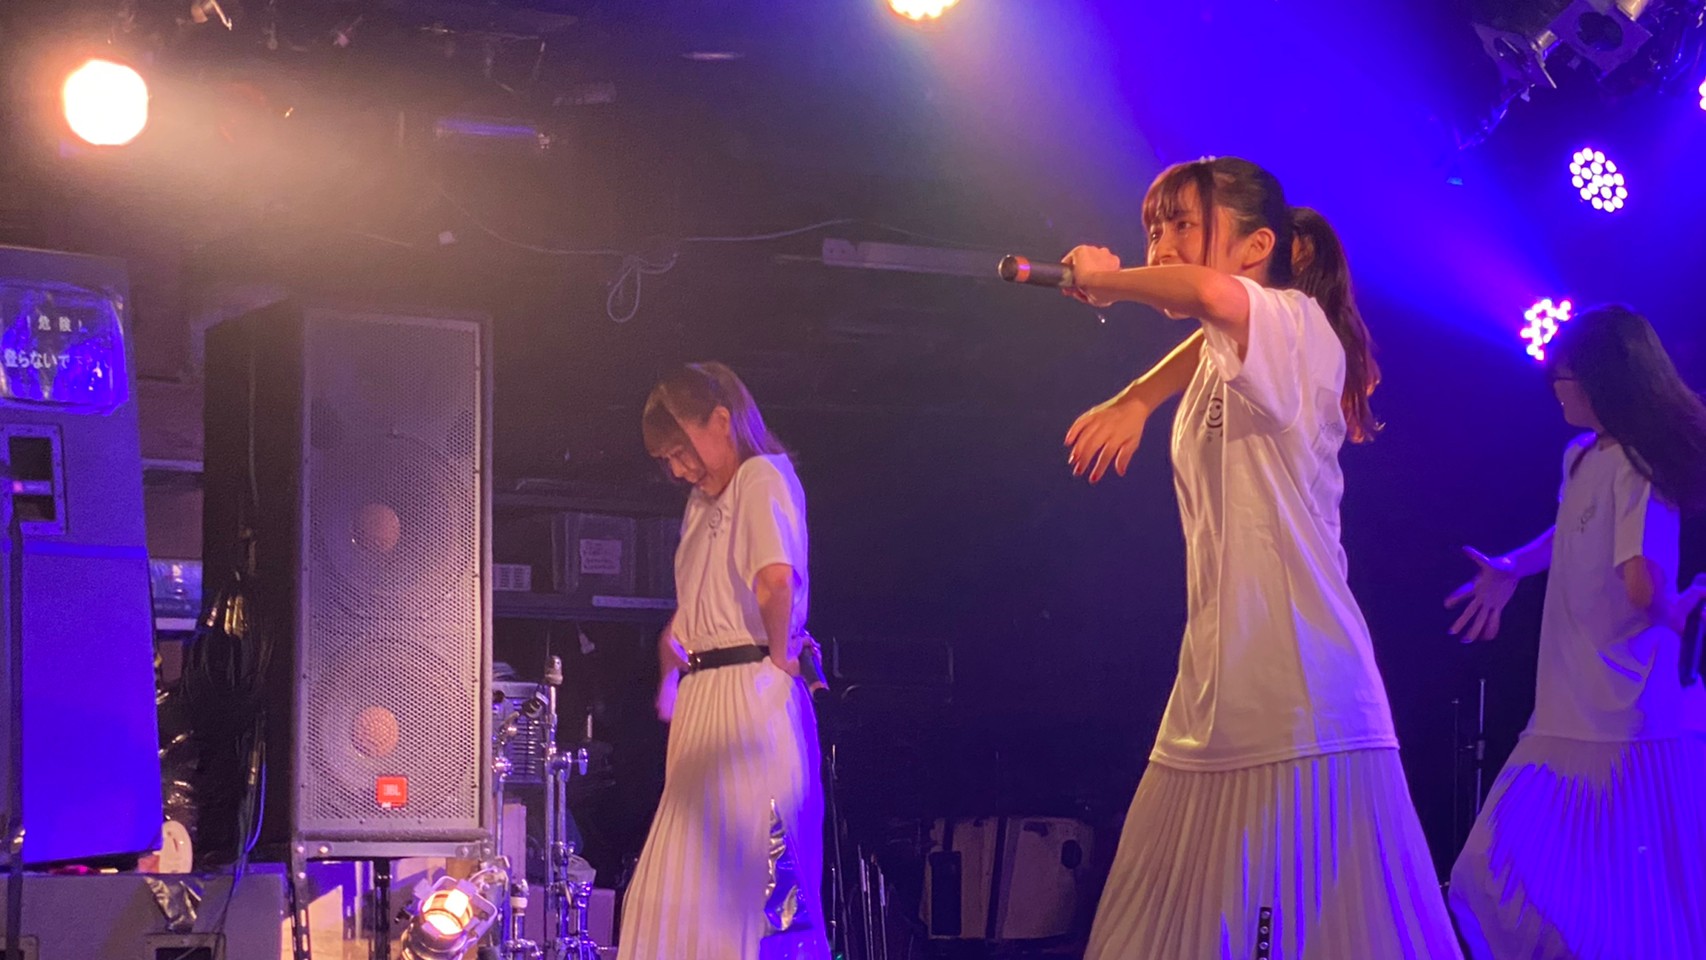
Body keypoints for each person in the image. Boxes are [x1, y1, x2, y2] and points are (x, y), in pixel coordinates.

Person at [1059, 156, 1460, 958]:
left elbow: (1211, 298)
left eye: (1182, 226)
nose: (1161, 245)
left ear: (1257, 246)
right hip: (1213, 695)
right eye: (1153, 229)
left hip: (1299, 701)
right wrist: (1139, 397)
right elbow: (1207, 327)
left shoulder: (1295, 327)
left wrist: (1110, 281)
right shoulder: (1231, 346)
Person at [1445, 305, 1706, 959]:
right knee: (1495, 873)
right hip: (1569, 709)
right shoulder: (1581, 457)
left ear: (1598, 380)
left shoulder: (1639, 466)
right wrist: (1513, 566)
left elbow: (1642, 582)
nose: (1556, 387)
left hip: (1622, 718)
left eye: (1563, 376)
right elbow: (1574, 531)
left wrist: (1675, 610)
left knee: (1623, 897)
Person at [616, 362, 829, 960]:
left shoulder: (760, 476)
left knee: (749, 881)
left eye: (683, 450)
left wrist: (781, 657)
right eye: (667, 459)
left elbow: (775, 579)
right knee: (682, 888)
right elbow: (690, 614)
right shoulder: (700, 504)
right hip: (705, 703)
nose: (679, 469)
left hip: (749, 697)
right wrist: (670, 679)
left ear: (721, 420)